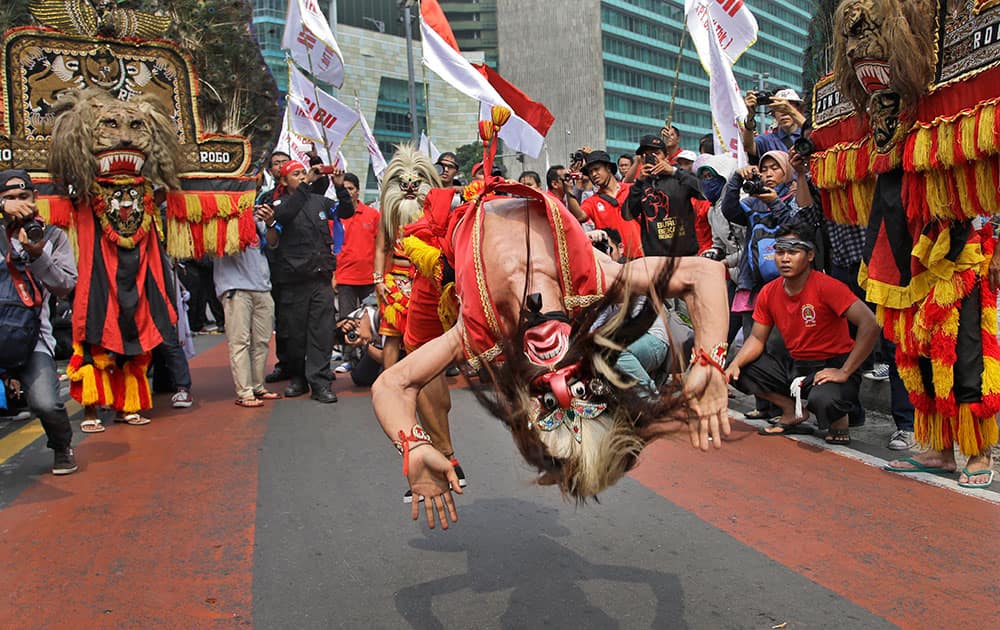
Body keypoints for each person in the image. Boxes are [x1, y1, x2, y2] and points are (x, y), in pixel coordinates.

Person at [370, 114, 730, 529]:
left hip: (449, 261)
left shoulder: (481, 330)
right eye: (579, 388)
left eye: (546, 398)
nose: (555, 373)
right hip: (463, 217)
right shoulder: (592, 277)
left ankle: (438, 450)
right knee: (425, 365)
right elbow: (703, 274)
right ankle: (444, 447)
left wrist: (412, 447)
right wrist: (711, 363)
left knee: (421, 357)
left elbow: (393, 383)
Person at [725, 224, 880, 445]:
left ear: (810, 255)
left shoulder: (828, 286)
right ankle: (792, 411)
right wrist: (734, 365)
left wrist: (844, 371)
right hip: (796, 365)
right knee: (741, 369)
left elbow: (870, 324)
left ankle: (840, 419)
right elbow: (757, 338)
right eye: (779, 252)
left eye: (793, 251)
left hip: (832, 365)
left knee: (824, 400)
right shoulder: (769, 291)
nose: (785, 258)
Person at [0, 170, 78, 474]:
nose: (18, 203)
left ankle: (61, 446)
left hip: (35, 338)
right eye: (9, 198)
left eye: (23, 197)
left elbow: (65, 285)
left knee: (46, 403)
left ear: (35, 200)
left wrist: (37, 255)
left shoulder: (53, 236)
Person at [268, 159, 354, 403]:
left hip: (320, 278)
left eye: (302, 173)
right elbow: (283, 217)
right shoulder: (279, 203)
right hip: (293, 281)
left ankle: (320, 382)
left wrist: (339, 187)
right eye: (295, 174)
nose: (302, 176)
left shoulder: (319, 201)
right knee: (295, 334)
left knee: (322, 331)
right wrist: (307, 185)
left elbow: (345, 211)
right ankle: (298, 378)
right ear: (284, 181)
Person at [214, 202, 280, 407]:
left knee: (261, 341)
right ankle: (245, 392)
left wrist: (270, 222)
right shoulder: (220, 213)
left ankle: (257, 386)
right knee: (240, 342)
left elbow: (272, 243)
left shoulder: (258, 213)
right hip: (236, 287)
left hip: (262, 286)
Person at [623, 135, 704, 257]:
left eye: (656, 153)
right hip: (655, 259)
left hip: (686, 255)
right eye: (647, 155)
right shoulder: (641, 184)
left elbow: (704, 192)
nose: (652, 158)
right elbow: (627, 215)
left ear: (666, 156)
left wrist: (673, 171)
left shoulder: (679, 176)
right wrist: (639, 182)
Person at [260, 151, 292, 384]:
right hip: (277, 267)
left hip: (303, 267)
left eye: (285, 162)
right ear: (270, 171)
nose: (280, 166)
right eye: (276, 164)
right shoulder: (266, 198)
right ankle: (284, 364)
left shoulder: (305, 194)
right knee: (282, 320)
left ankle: (308, 366)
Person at [579, 151, 643, 259]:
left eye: (597, 169)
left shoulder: (631, 189)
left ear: (608, 168)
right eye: (590, 172)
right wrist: (569, 192)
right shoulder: (592, 201)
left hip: (642, 259)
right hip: (614, 264)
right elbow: (580, 216)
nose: (594, 174)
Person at [741, 88, 806, 165]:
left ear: (798, 110)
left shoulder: (808, 136)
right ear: (773, 113)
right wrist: (750, 116)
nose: (784, 113)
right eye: (779, 108)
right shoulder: (767, 140)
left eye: (786, 108)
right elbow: (748, 147)